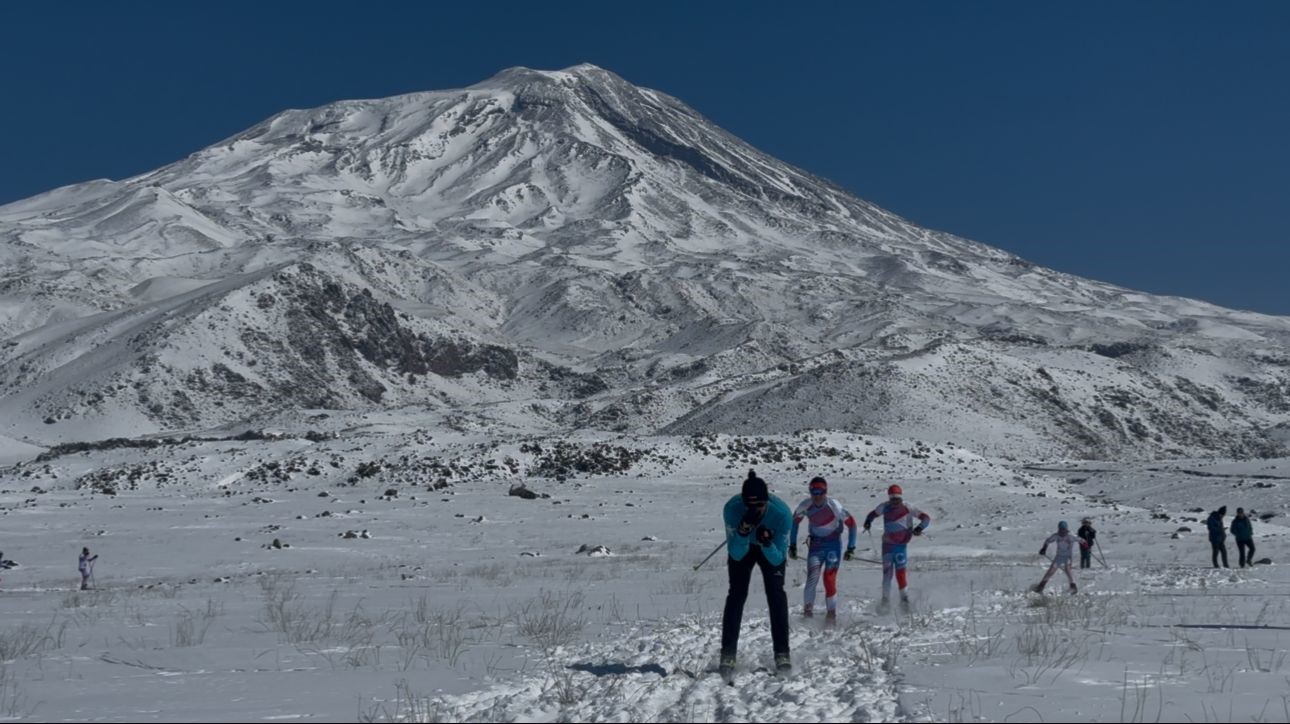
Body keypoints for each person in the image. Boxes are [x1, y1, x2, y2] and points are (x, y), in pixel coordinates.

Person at [721, 469, 793, 679]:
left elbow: (778, 559)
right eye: (749, 507)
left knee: (776, 593)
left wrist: (768, 543)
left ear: (767, 502)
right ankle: (727, 654)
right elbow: (735, 553)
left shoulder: (782, 514)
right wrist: (743, 532)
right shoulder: (732, 509)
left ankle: (782, 653)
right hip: (743, 546)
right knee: (736, 594)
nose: (754, 511)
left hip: (770, 548)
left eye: (759, 506)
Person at [789, 476, 858, 621]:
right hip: (816, 546)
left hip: (833, 546)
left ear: (826, 492)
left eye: (821, 492)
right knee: (812, 578)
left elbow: (852, 524)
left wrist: (851, 548)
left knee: (829, 578)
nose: (817, 496)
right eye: (814, 492)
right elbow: (794, 523)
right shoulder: (805, 505)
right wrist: (793, 545)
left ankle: (831, 615)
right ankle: (807, 614)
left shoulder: (834, 506)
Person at [863, 484, 931, 613]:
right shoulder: (884, 506)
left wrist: (919, 528)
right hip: (887, 546)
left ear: (901, 498)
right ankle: (885, 601)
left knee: (900, 573)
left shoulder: (908, 507)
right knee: (887, 574)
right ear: (889, 498)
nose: (895, 502)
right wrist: (868, 522)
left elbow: (926, 518)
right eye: (892, 499)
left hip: (900, 546)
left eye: (897, 499)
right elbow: (872, 514)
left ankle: (904, 601)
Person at [1034, 521, 1079, 593]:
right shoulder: (1056, 536)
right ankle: (1041, 586)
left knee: (1068, 570)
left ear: (1066, 529)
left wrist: (1085, 545)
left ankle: (1073, 586)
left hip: (1067, 557)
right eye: (1061, 529)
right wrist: (1044, 548)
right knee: (1051, 571)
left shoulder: (1070, 537)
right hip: (1059, 556)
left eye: (1063, 529)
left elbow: (1081, 540)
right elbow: (1047, 541)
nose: (1062, 531)